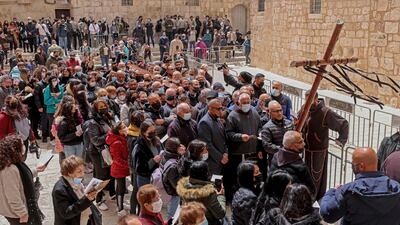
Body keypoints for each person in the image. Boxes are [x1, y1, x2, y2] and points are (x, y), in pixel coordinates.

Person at [320, 147, 400, 225]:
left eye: (352, 163)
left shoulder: (348, 191)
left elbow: (327, 214)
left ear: (361, 166)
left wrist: (332, 191)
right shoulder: (396, 188)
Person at [298, 91, 349, 200]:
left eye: (309, 99)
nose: (307, 102)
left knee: (316, 175)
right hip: (306, 148)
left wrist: (341, 140)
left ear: (315, 99)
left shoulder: (325, 112)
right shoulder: (304, 108)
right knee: (307, 173)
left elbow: (343, 123)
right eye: (306, 99)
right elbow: (299, 120)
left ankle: (312, 196)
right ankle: (311, 194)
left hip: (318, 149)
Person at [0, 134, 46, 225]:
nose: (24, 147)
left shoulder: (15, 162)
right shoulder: (9, 169)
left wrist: (35, 171)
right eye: (22, 145)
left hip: (19, 212)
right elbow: (12, 196)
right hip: (17, 215)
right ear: (15, 149)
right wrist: (23, 214)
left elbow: (21, 179)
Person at [225, 93, 261, 200]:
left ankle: (251, 197)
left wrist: (260, 133)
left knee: (251, 176)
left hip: (252, 151)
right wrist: (240, 137)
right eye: (243, 103)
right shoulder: (232, 115)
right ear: (238, 103)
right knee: (238, 177)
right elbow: (229, 133)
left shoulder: (255, 113)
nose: (246, 105)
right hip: (238, 153)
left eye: (248, 102)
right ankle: (237, 198)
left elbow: (259, 127)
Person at [52, 155, 99, 225]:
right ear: (69, 173)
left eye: (83, 170)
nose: (83, 174)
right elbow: (66, 213)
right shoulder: (59, 190)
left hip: (86, 219)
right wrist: (87, 200)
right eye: (79, 171)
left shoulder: (76, 180)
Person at [86, 99, 116, 211]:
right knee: (100, 176)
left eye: (104, 106)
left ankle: (112, 193)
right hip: (98, 153)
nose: (103, 108)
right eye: (100, 107)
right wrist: (110, 134)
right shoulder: (93, 122)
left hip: (109, 150)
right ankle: (98, 199)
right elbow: (95, 140)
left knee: (111, 173)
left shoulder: (108, 118)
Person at [177, 161, 226, 225]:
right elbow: (220, 214)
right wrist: (221, 196)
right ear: (205, 174)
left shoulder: (184, 188)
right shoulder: (208, 193)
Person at [269, 131, 315, 196]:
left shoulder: (276, 156)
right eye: (300, 142)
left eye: (303, 140)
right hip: (293, 203)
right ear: (292, 146)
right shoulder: (300, 167)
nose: (304, 144)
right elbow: (311, 190)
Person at [198, 99, 228, 175]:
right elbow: (207, 145)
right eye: (218, 109)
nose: (221, 110)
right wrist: (220, 157)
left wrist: (226, 153)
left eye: (221, 108)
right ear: (210, 108)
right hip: (213, 162)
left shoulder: (217, 119)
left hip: (223, 158)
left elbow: (224, 139)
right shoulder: (204, 122)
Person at [106, 121, 130, 216]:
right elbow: (117, 159)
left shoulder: (122, 138)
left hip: (121, 168)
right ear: (119, 131)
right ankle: (120, 209)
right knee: (120, 190)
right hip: (118, 169)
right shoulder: (116, 142)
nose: (126, 127)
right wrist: (128, 165)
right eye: (124, 127)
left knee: (120, 188)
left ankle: (120, 205)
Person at [160, 137, 186, 218]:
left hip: (168, 188)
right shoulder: (173, 166)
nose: (181, 147)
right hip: (172, 193)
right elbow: (176, 184)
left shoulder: (164, 154)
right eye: (179, 146)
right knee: (172, 215)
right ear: (175, 149)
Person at [134, 119, 163, 188]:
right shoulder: (139, 146)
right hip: (145, 179)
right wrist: (153, 161)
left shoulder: (157, 140)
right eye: (150, 132)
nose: (153, 133)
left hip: (157, 175)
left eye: (154, 131)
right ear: (144, 132)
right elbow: (139, 168)